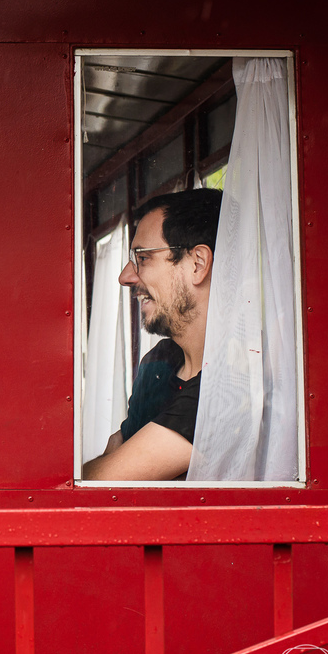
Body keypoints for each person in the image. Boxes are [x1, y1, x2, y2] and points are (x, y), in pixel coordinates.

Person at [83, 189, 222, 481]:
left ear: (198, 263)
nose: (125, 277)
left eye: (143, 258)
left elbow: (101, 482)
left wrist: (115, 459)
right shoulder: (160, 361)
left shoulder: (231, 382)